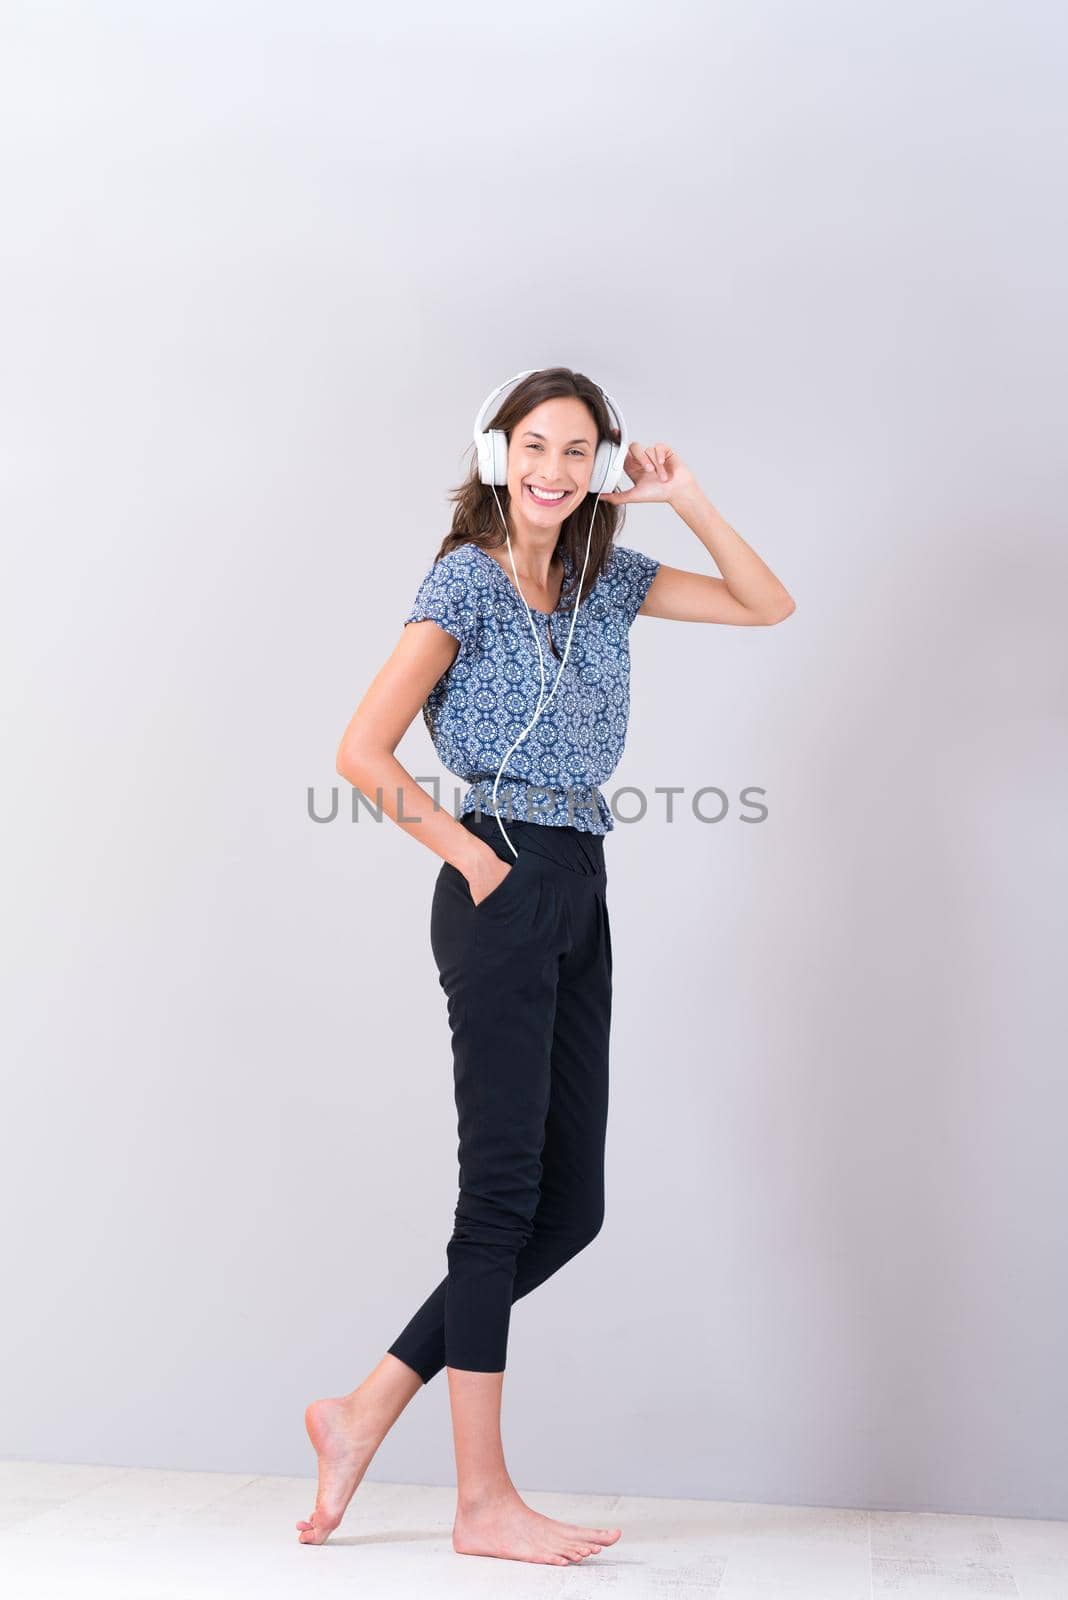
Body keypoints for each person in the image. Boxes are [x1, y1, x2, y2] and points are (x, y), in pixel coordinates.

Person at [299, 367, 796, 1567]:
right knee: (503, 1196)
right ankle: (481, 1501)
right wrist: (477, 865)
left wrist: (687, 498)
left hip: (581, 875)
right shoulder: (463, 582)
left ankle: (362, 1407)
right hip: (504, 876)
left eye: (581, 452)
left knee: (569, 1204)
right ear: (495, 449)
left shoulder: (608, 582)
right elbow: (363, 751)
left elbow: (766, 604)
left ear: (599, 469)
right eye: (537, 444)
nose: (556, 470)